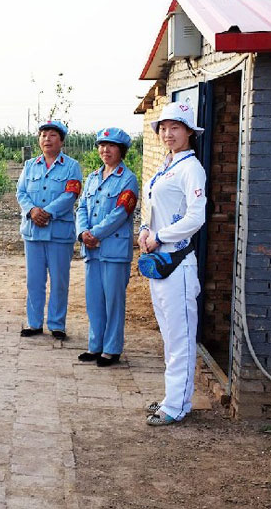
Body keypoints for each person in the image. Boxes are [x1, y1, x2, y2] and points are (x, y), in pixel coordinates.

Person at [138, 102, 207, 426]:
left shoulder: (191, 168)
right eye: (164, 128)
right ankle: (173, 397)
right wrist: (145, 229)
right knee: (170, 336)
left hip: (178, 264)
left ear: (189, 132)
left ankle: (177, 406)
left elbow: (196, 217)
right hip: (160, 261)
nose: (168, 133)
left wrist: (160, 236)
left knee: (181, 339)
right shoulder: (167, 165)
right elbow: (153, 207)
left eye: (175, 127)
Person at [75, 128, 138, 367]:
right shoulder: (92, 177)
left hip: (114, 250)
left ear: (121, 150)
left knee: (113, 301)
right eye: (102, 145)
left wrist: (96, 233)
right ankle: (95, 345)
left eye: (111, 146)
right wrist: (83, 232)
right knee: (94, 300)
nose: (105, 150)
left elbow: (121, 212)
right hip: (92, 250)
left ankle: (111, 349)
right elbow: (82, 207)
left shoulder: (128, 179)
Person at [16, 120, 83, 340]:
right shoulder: (30, 165)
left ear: (61, 141)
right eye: (43, 135)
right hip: (33, 232)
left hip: (59, 234)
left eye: (53, 135)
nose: (47, 139)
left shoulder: (71, 166)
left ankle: (57, 324)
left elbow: (71, 194)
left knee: (59, 281)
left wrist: (47, 212)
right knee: (34, 281)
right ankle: (34, 323)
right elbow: (21, 192)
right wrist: (32, 210)